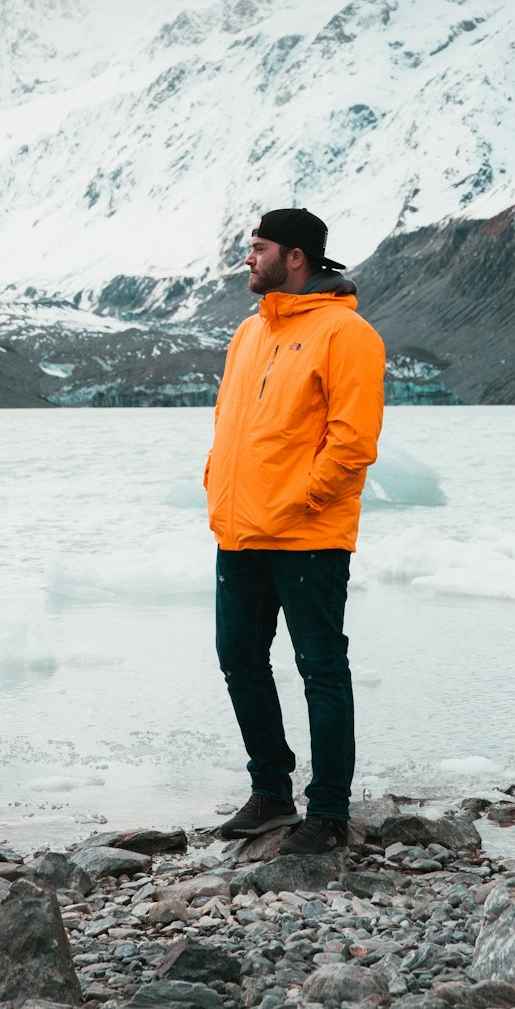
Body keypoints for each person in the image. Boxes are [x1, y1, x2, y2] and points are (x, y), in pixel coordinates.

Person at [205, 207, 386, 855]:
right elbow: (230, 425)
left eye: (258, 249)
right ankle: (271, 793)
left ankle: (329, 812)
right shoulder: (249, 334)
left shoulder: (347, 334)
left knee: (320, 669)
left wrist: (303, 498)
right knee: (239, 659)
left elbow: (353, 441)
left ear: (296, 257)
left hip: (308, 534)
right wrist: (216, 486)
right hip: (241, 530)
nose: (247, 260)